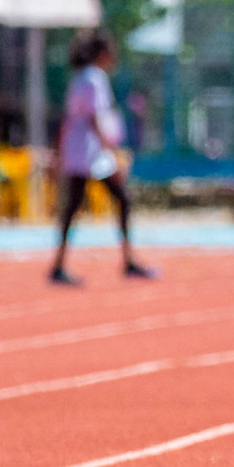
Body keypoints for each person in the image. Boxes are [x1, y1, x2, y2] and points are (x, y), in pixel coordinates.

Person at [50, 30, 155, 286]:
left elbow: (70, 119)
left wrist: (61, 152)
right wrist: (113, 151)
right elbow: (95, 119)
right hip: (91, 152)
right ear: (102, 53)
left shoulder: (79, 78)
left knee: (79, 205)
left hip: (81, 150)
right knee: (117, 200)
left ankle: (61, 264)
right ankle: (125, 261)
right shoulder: (95, 79)